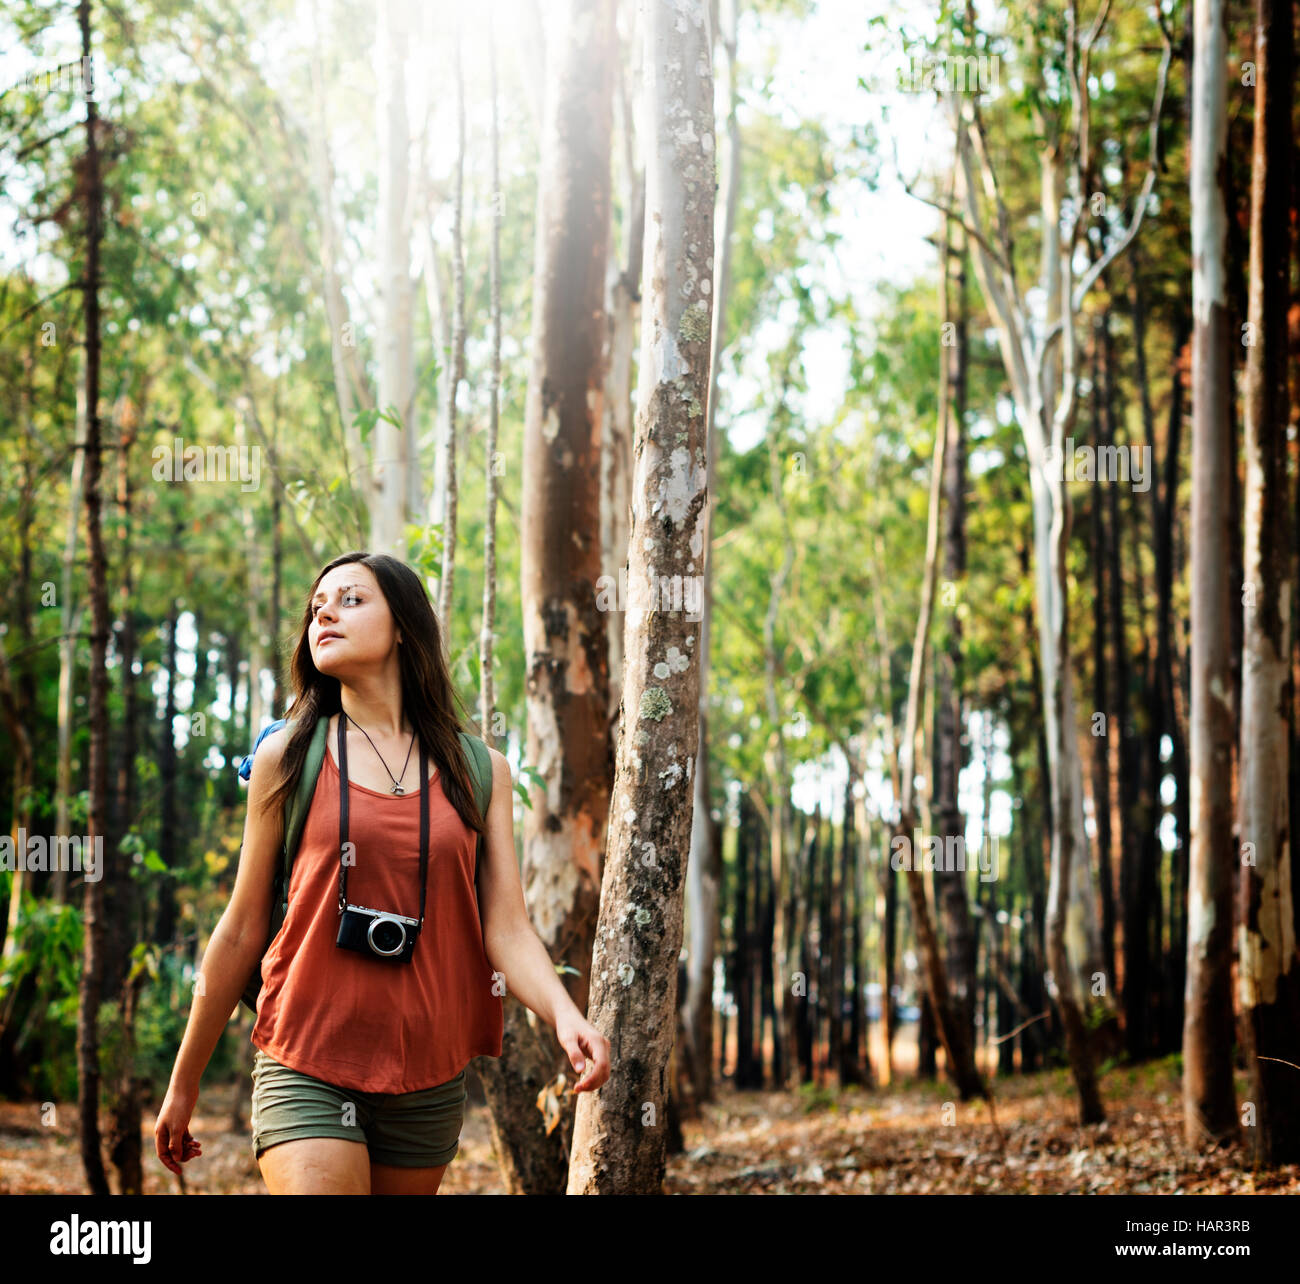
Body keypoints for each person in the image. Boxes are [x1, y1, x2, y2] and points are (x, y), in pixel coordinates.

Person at [154, 551, 610, 1193]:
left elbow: (505, 929)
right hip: (305, 1059)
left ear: (403, 627)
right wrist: (184, 1081)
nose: (325, 615)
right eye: (317, 607)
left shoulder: (481, 771)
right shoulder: (287, 755)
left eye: (350, 600)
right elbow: (241, 928)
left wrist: (567, 1017)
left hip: (426, 1077)